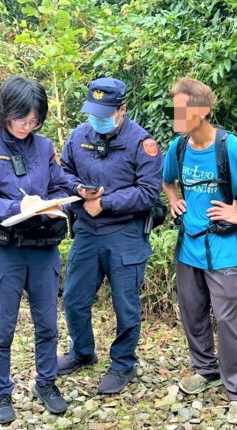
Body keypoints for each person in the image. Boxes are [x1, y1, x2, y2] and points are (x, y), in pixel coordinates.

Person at [162, 77, 237, 424]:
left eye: (180, 107)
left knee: (227, 321)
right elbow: (167, 180)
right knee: (192, 312)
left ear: (200, 111)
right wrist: (174, 201)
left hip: (223, 250)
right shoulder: (179, 147)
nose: (174, 112)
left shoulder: (231, 148)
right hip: (188, 248)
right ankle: (205, 370)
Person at [0, 76, 70, 424]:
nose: (28, 126)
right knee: (3, 328)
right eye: (21, 119)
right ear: (5, 112)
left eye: (34, 120)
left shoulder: (43, 147)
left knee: (47, 324)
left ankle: (46, 382)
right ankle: (1, 391)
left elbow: (59, 185)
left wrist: (60, 207)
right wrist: (19, 207)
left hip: (43, 250)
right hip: (6, 251)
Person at [58, 78, 163, 394]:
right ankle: (81, 351)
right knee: (74, 298)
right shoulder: (78, 136)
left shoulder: (142, 143)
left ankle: (123, 364)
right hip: (87, 234)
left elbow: (148, 193)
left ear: (122, 109)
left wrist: (103, 203)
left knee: (125, 305)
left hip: (124, 235)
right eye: (93, 111)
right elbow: (62, 173)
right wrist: (78, 191)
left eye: (104, 112)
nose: (97, 118)